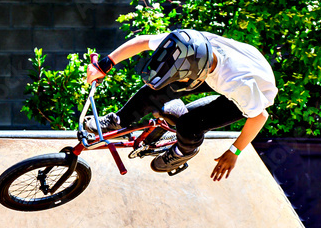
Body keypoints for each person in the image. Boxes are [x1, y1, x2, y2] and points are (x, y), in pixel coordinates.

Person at [84, 28, 277, 181]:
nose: (180, 84)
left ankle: (183, 151)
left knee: (189, 124)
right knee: (156, 89)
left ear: (199, 75)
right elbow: (142, 41)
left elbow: (260, 116)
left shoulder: (237, 85)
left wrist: (234, 151)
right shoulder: (186, 43)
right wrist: (104, 65)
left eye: (185, 80)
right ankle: (119, 120)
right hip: (228, 64)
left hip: (254, 91)